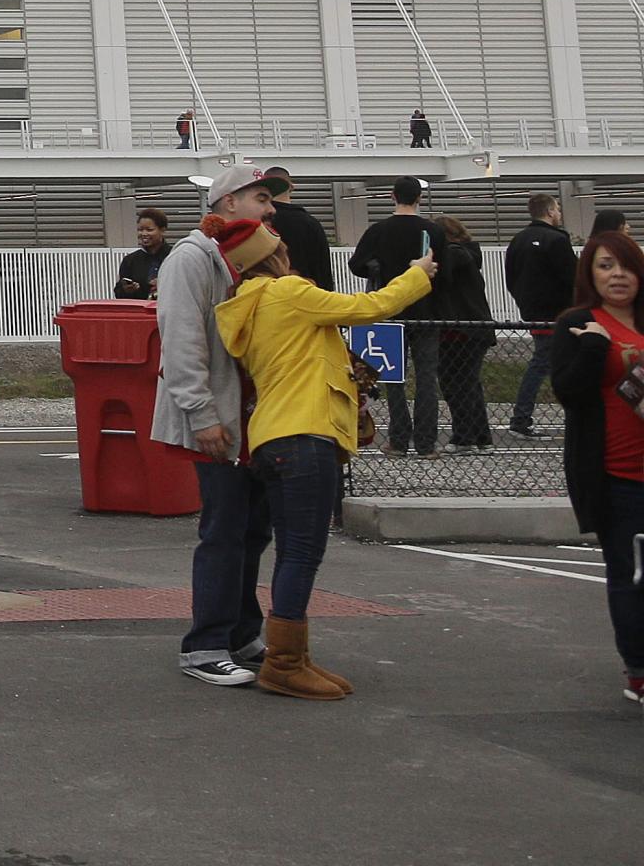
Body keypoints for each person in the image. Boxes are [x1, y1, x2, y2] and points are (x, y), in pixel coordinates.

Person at [213, 218, 431, 698]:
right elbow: (369, 306)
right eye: (281, 246)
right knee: (302, 553)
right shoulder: (288, 292)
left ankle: (293, 655)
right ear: (271, 257)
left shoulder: (249, 307)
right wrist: (419, 274)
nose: (288, 253)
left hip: (273, 436)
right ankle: (285, 664)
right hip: (305, 435)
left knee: (293, 551)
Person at [153, 162, 284, 687]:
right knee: (225, 532)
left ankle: (241, 632)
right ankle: (205, 645)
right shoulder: (192, 259)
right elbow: (181, 339)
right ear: (228, 203)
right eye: (260, 197)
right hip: (224, 419)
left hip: (254, 418)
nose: (270, 207)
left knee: (252, 531)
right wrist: (202, 413)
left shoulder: (247, 259)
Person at [548, 227, 644, 704]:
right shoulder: (579, 322)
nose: (618, 274)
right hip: (616, 474)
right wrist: (593, 346)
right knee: (628, 574)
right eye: (605, 265)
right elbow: (566, 390)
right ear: (590, 273)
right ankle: (639, 670)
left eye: (625, 264)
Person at [347, 178, 439, 456]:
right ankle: (426, 443)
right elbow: (442, 268)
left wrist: (378, 270)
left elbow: (356, 264)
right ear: (419, 197)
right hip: (426, 310)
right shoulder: (432, 230)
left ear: (392, 196)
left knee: (393, 378)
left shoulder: (378, 231)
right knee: (426, 377)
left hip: (389, 311)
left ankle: (398, 439)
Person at [506, 194, 579, 441]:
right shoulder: (557, 240)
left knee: (545, 361)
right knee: (547, 363)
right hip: (560, 312)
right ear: (549, 211)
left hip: (532, 311)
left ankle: (523, 417)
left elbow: (511, 278)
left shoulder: (517, 240)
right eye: (557, 208)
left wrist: (524, 302)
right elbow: (572, 277)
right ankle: (521, 418)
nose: (559, 213)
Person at [421, 213, 494, 451]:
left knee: (455, 383)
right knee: (469, 382)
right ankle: (480, 435)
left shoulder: (451, 257)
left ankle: (464, 435)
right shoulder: (469, 254)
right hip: (474, 327)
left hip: (457, 329)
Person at [262, 168, 332, 289]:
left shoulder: (260, 222)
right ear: (292, 187)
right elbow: (322, 269)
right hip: (309, 294)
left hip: (268, 295)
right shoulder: (311, 223)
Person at [116, 208, 173, 300]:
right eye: (140, 230)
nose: (144, 234)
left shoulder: (175, 256)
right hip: (140, 312)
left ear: (162, 230)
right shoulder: (130, 260)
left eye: (149, 230)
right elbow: (119, 294)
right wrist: (126, 290)